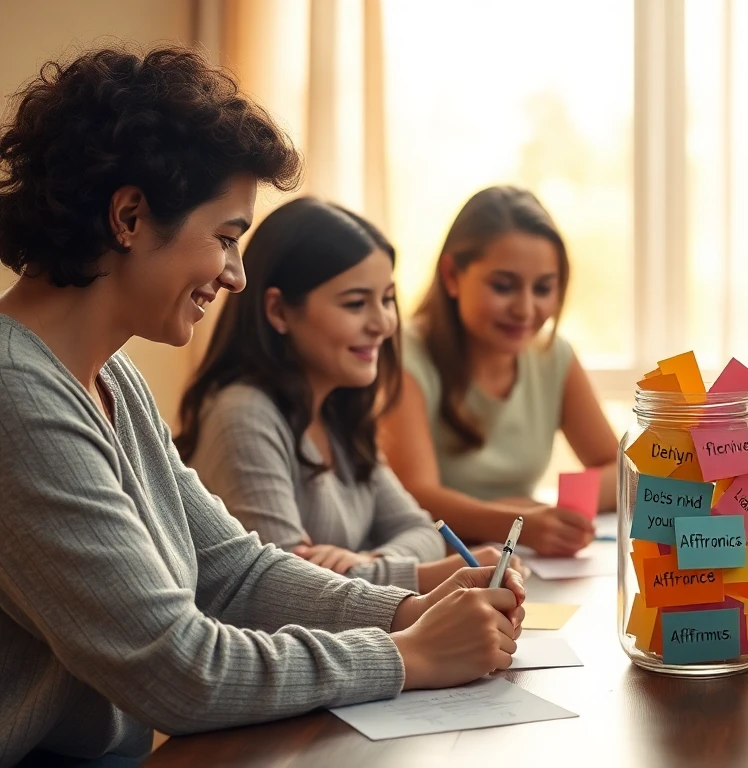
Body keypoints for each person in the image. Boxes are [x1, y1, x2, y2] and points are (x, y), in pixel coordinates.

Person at [0, 47, 523, 766]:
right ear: (129, 215)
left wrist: (408, 609)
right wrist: (406, 655)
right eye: (225, 238)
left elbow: (235, 573)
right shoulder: (17, 398)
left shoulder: (111, 378)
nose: (237, 276)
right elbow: (178, 670)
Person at [176, 197, 506, 594]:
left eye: (386, 299)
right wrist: (420, 575)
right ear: (279, 311)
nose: (383, 323)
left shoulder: (337, 411)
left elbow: (423, 532)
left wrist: (369, 561)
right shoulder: (243, 414)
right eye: (355, 303)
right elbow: (283, 588)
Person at [380, 186, 619, 557]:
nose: (525, 309)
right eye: (504, 286)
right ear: (452, 276)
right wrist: (518, 521)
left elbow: (619, 469)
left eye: (543, 288)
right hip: (431, 569)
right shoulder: (404, 355)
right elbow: (415, 494)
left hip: (520, 565)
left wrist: (563, 512)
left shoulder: (554, 356)